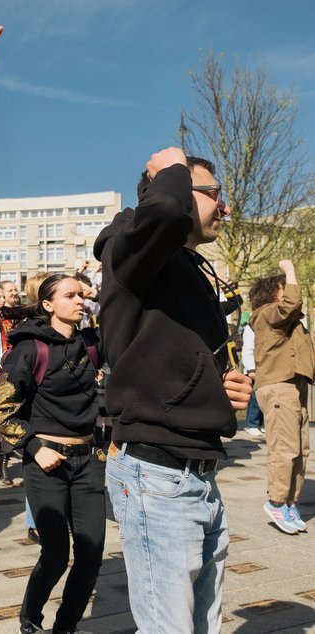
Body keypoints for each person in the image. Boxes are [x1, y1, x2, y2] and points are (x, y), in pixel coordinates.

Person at [94, 148, 252, 632]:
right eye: (213, 195)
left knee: (202, 626)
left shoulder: (186, 269)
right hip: (157, 477)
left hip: (199, 474)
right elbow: (161, 212)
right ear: (177, 190)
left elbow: (172, 360)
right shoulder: (133, 247)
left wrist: (224, 393)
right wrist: (174, 168)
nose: (224, 209)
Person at [0, 274, 103, 634]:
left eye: (82, 295)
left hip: (88, 462)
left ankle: (65, 626)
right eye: (70, 295)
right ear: (48, 305)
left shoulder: (91, 343)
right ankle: (30, 620)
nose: (79, 301)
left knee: (90, 554)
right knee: (55, 556)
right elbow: (3, 410)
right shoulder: (30, 349)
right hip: (46, 463)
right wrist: (34, 447)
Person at [248, 260, 313, 535]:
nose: (289, 289)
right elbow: (291, 303)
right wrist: (289, 270)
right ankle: (276, 501)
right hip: (278, 386)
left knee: (301, 450)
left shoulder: (286, 321)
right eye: (283, 287)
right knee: (284, 447)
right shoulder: (266, 315)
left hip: (294, 385)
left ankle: (288, 502)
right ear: (273, 293)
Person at [240, 323, 265, 437]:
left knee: (265, 397)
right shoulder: (251, 326)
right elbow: (248, 348)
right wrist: (250, 368)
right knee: (255, 398)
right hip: (255, 367)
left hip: (265, 367)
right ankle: (252, 424)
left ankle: (262, 424)